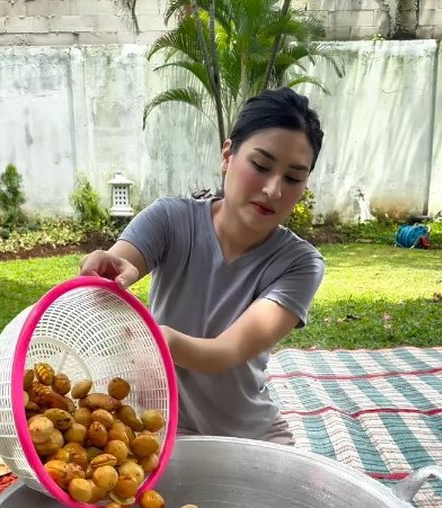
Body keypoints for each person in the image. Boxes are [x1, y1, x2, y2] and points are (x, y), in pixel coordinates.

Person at [80, 87, 325, 445]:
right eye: (260, 165)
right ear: (228, 154)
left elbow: (226, 352)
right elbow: (119, 263)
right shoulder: (169, 218)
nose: (274, 189)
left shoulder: (300, 264)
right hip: (159, 426)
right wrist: (111, 270)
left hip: (251, 435)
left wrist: (159, 338)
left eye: (293, 177)